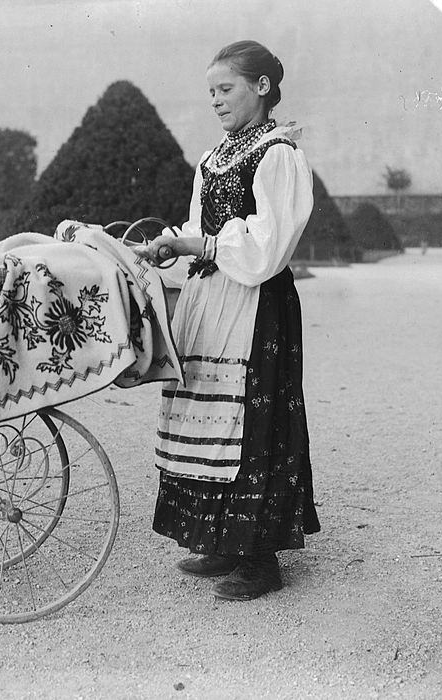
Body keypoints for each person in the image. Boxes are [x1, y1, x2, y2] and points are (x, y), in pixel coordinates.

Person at [139, 40, 319, 601]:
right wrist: (177, 246)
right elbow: (202, 226)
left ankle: (260, 558)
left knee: (251, 424)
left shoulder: (278, 153)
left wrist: (202, 243)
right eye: (211, 92)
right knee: (209, 418)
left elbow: (267, 248)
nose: (215, 101)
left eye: (226, 89)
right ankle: (220, 540)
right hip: (214, 299)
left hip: (257, 304)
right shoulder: (215, 158)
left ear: (261, 87)